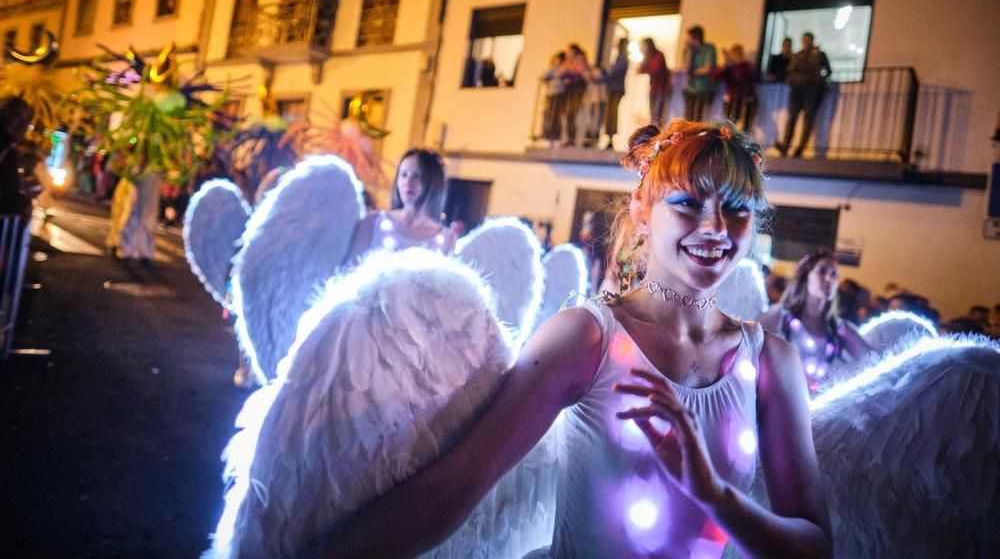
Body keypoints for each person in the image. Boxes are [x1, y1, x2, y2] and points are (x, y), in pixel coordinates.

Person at [326, 120, 832, 558]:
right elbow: (452, 488)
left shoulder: (770, 363)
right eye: (689, 202)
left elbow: (814, 547)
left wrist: (715, 495)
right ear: (642, 211)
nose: (716, 227)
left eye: (738, 207)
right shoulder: (587, 338)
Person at [760, 248, 871, 393]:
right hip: (781, 401)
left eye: (834, 274)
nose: (829, 278)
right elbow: (749, 348)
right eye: (822, 271)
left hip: (821, 407)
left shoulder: (838, 327)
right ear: (805, 276)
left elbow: (874, 360)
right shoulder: (780, 316)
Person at [345, 148, 459, 262]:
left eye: (417, 176)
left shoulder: (446, 238)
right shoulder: (373, 222)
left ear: (433, 181)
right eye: (403, 175)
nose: (408, 182)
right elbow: (350, 269)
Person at [777, 32, 831, 157]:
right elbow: (790, 70)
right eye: (804, 40)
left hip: (812, 89)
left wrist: (820, 79)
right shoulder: (798, 55)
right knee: (792, 118)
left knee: (808, 118)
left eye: (808, 40)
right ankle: (785, 146)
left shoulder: (819, 55)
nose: (806, 42)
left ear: (812, 40)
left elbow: (828, 71)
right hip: (797, 89)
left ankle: (800, 148)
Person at [0, 96, 32, 217]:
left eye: (27, 120)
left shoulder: (9, 148)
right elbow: (7, 197)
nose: (23, 125)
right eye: (17, 116)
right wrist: (24, 203)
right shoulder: (6, 149)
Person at [715, 44, 758, 133]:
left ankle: (744, 144)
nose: (738, 56)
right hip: (731, 100)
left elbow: (740, 77)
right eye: (735, 54)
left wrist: (731, 64)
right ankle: (730, 142)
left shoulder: (748, 66)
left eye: (739, 54)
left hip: (746, 100)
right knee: (730, 124)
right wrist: (725, 64)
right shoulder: (729, 66)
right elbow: (715, 77)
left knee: (746, 126)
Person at [682, 25, 717, 121]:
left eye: (688, 37)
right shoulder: (688, 51)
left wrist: (692, 73)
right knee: (688, 118)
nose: (686, 39)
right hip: (690, 89)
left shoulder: (709, 49)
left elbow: (707, 69)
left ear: (695, 38)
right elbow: (686, 68)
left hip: (704, 89)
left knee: (699, 119)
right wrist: (689, 51)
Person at [558, 44, 591, 147]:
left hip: (576, 89)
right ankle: (568, 138)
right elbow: (561, 71)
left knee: (572, 113)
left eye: (569, 51)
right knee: (568, 114)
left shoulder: (579, 59)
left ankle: (572, 139)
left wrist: (570, 77)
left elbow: (581, 72)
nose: (568, 54)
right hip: (570, 90)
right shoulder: (568, 61)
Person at [601, 37, 630, 149]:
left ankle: (611, 136)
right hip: (614, 88)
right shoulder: (621, 57)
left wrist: (604, 72)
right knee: (610, 113)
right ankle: (610, 135)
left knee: (612, 113)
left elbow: (615, 72)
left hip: (615, 89)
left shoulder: (622, 57)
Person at [638, 37, 670, 126]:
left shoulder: (659, 55)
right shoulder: (647, 57)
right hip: (653, 88)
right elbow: (641, 70)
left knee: (657, 114)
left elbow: (656, 70)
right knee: (652, 113)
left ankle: (657, 133)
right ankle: (654, 133)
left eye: (643, 45)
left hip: (661, 88)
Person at [540, 51, 566, 144]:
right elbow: (545, 76)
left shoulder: (563, 68)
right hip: (551, 94)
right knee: (549, 114)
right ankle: (548, 134)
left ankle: (555, 135)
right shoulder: (553, 69)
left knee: (555, 114)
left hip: (558, 94)